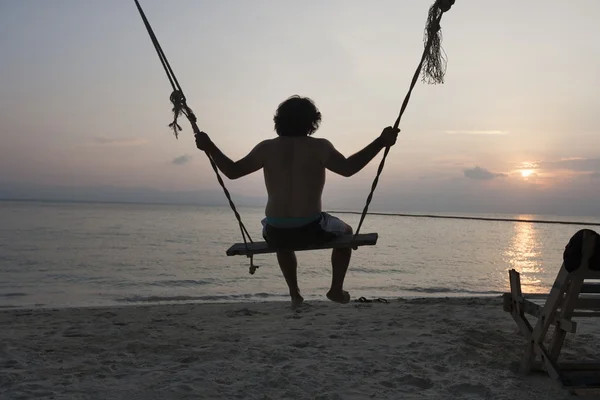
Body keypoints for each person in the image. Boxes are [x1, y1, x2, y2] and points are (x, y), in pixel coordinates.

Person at [194, 95, 399, 309]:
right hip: (311, 227)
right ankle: (336, 288)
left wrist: (209, 146)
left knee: (283, 241)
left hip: (275, 230)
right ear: (312, 122)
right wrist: (380, 142)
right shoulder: (320, 146)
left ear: (278, 121)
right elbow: (348, 169)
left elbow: (233, 171)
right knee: (346, 231)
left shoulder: (266, 147)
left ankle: (295, 294)